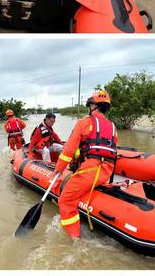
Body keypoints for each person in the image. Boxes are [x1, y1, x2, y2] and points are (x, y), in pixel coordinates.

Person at [54, 90, 118, 238]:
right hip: (106, 172)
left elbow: (68, 150)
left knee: (65, 200)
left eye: (90, 104)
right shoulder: (113, 127)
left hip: (91, 171)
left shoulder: (84, 123)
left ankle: (74, 237)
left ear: (94, 105)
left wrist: (58, 169)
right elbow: (113, 151)